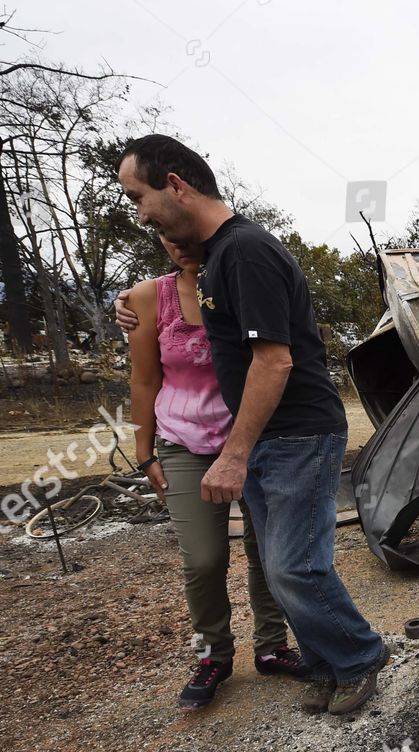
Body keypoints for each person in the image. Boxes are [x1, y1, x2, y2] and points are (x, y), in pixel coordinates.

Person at [116, 134, 387, 715]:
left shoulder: (244, 252)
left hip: (298, 433)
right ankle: (325, 661)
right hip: (266, 437)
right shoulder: (215, 257)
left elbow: (275, 360)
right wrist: (132, 303)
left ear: (177, 186)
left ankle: (361, 657)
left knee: (294, 567)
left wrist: (233, 453)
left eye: (139, 196)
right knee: (280, 566)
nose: (140, 215)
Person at [127, 234, 309, 710]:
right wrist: (145, 452)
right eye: (166, 235)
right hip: (183, 443)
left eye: (185, 235)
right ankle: (213, 655)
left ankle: (272, 646)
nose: (178, 244)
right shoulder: (149, 298)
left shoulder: (241, 285)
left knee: (266, 552)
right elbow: (145, 378)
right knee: (204, 559)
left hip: (251, 439)